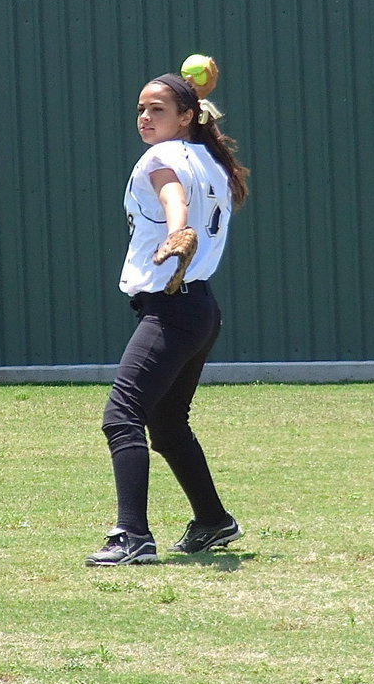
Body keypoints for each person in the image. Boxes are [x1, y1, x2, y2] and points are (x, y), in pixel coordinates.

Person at [85, 61, 250, 566]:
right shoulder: (211, 159)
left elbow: (170, 193)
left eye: (157, 108)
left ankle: (131, 536)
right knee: (167, 421)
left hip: (173, 309)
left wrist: (179, 230)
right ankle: (213, 521)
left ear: (186, 115)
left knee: (122, 415)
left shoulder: (162, 156)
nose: (144, 116)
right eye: (141, 108)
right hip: (199, 308)